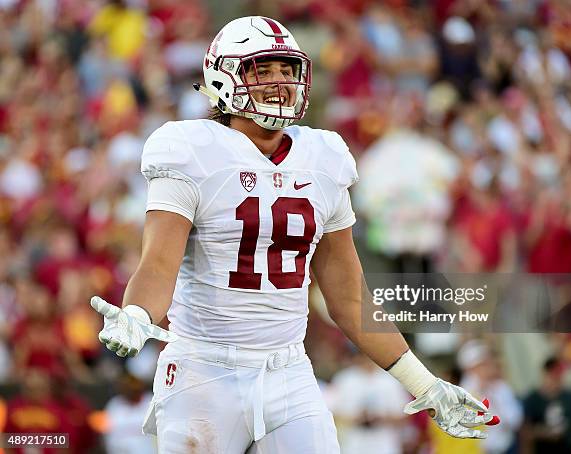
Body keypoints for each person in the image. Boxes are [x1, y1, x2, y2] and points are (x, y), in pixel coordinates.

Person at [90, 16, 499, 453]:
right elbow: (158, 262)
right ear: (222, 76)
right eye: (262, 69)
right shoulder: (190, 150)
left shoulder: (323, 157)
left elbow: (349, 296)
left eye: (287, 70)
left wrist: (425, 384)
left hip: (287, 369)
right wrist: (137, 313)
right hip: (202, 370)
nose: (279, 81)